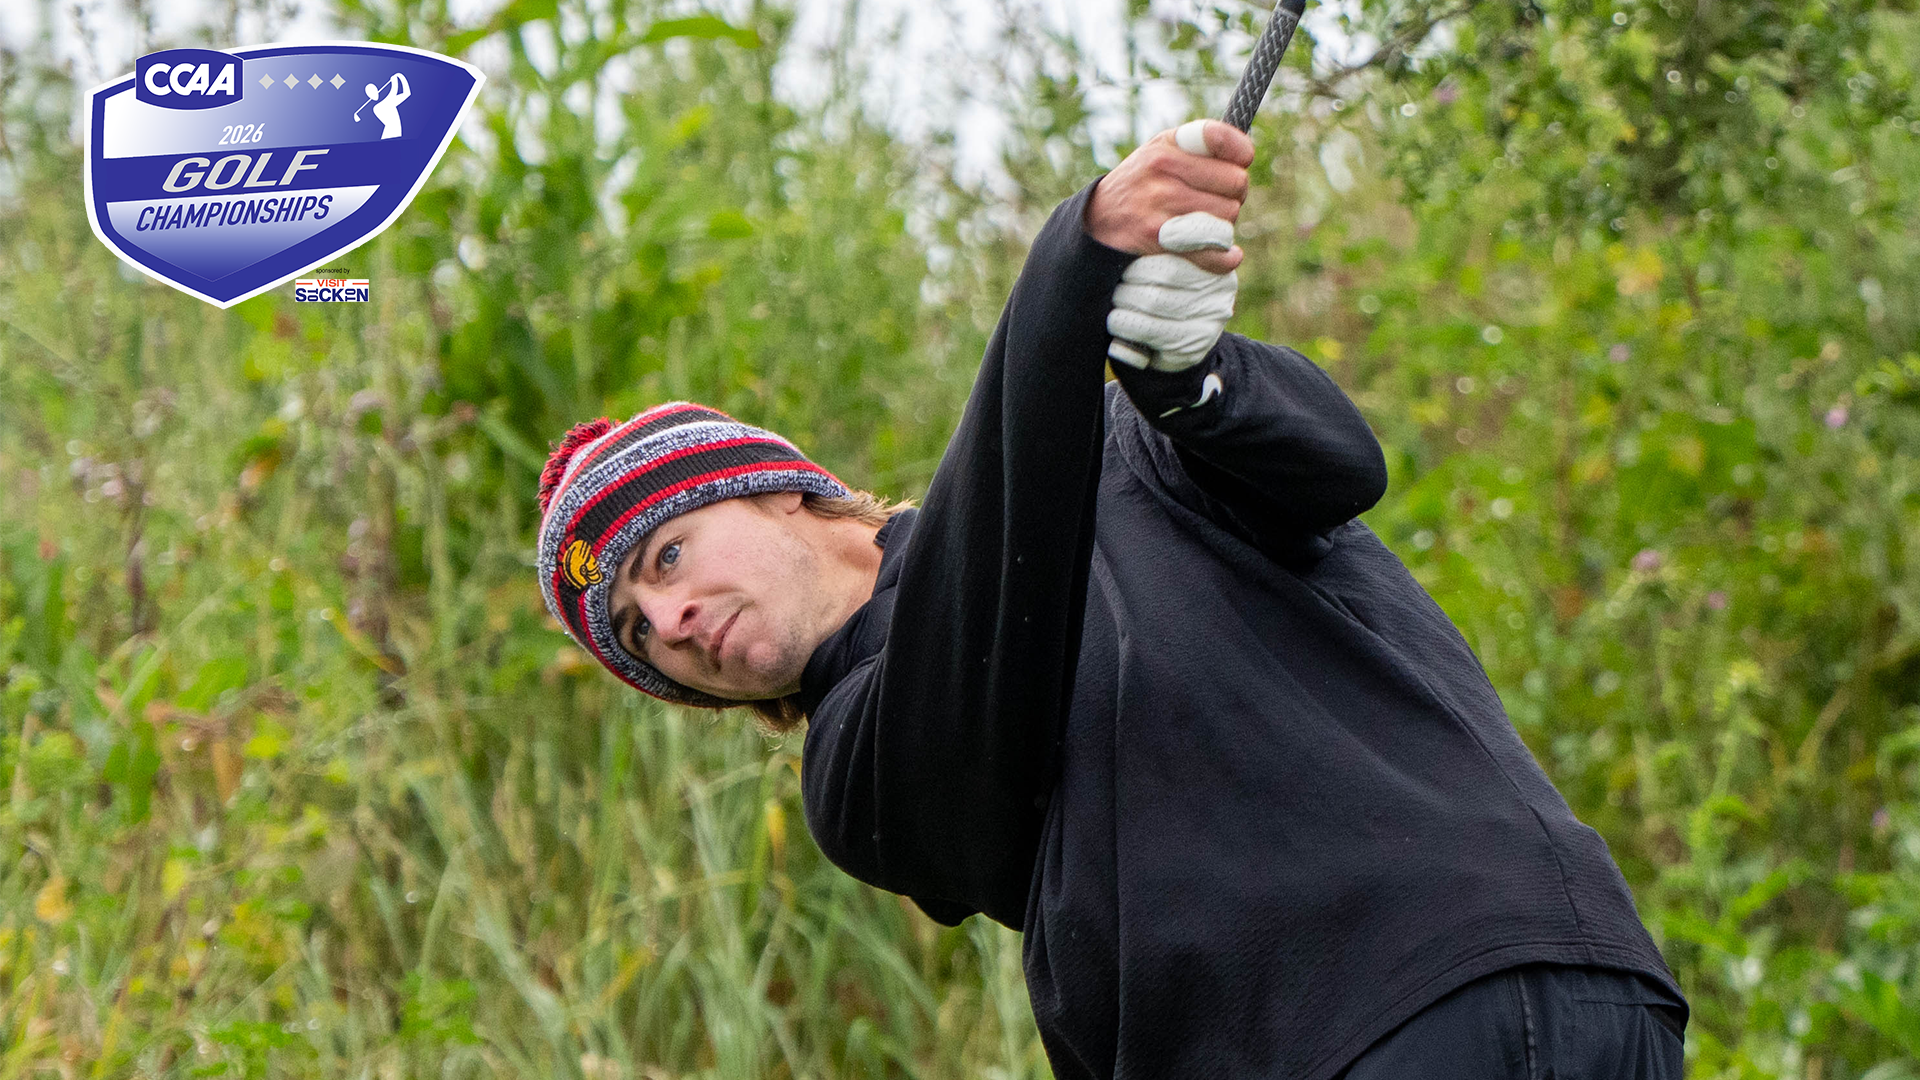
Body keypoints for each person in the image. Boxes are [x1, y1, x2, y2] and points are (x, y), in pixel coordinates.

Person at [534, 119, 1689, 1079]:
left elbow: (1340, 465)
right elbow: (990, 614)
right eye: (637, 633)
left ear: (786, 494)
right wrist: (1072, 267)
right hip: (1324, 1048)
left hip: (1565, 971)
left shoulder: (1133, 454)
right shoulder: (862, 769)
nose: (672, 622)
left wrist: (1196, 386)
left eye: (668, 556)